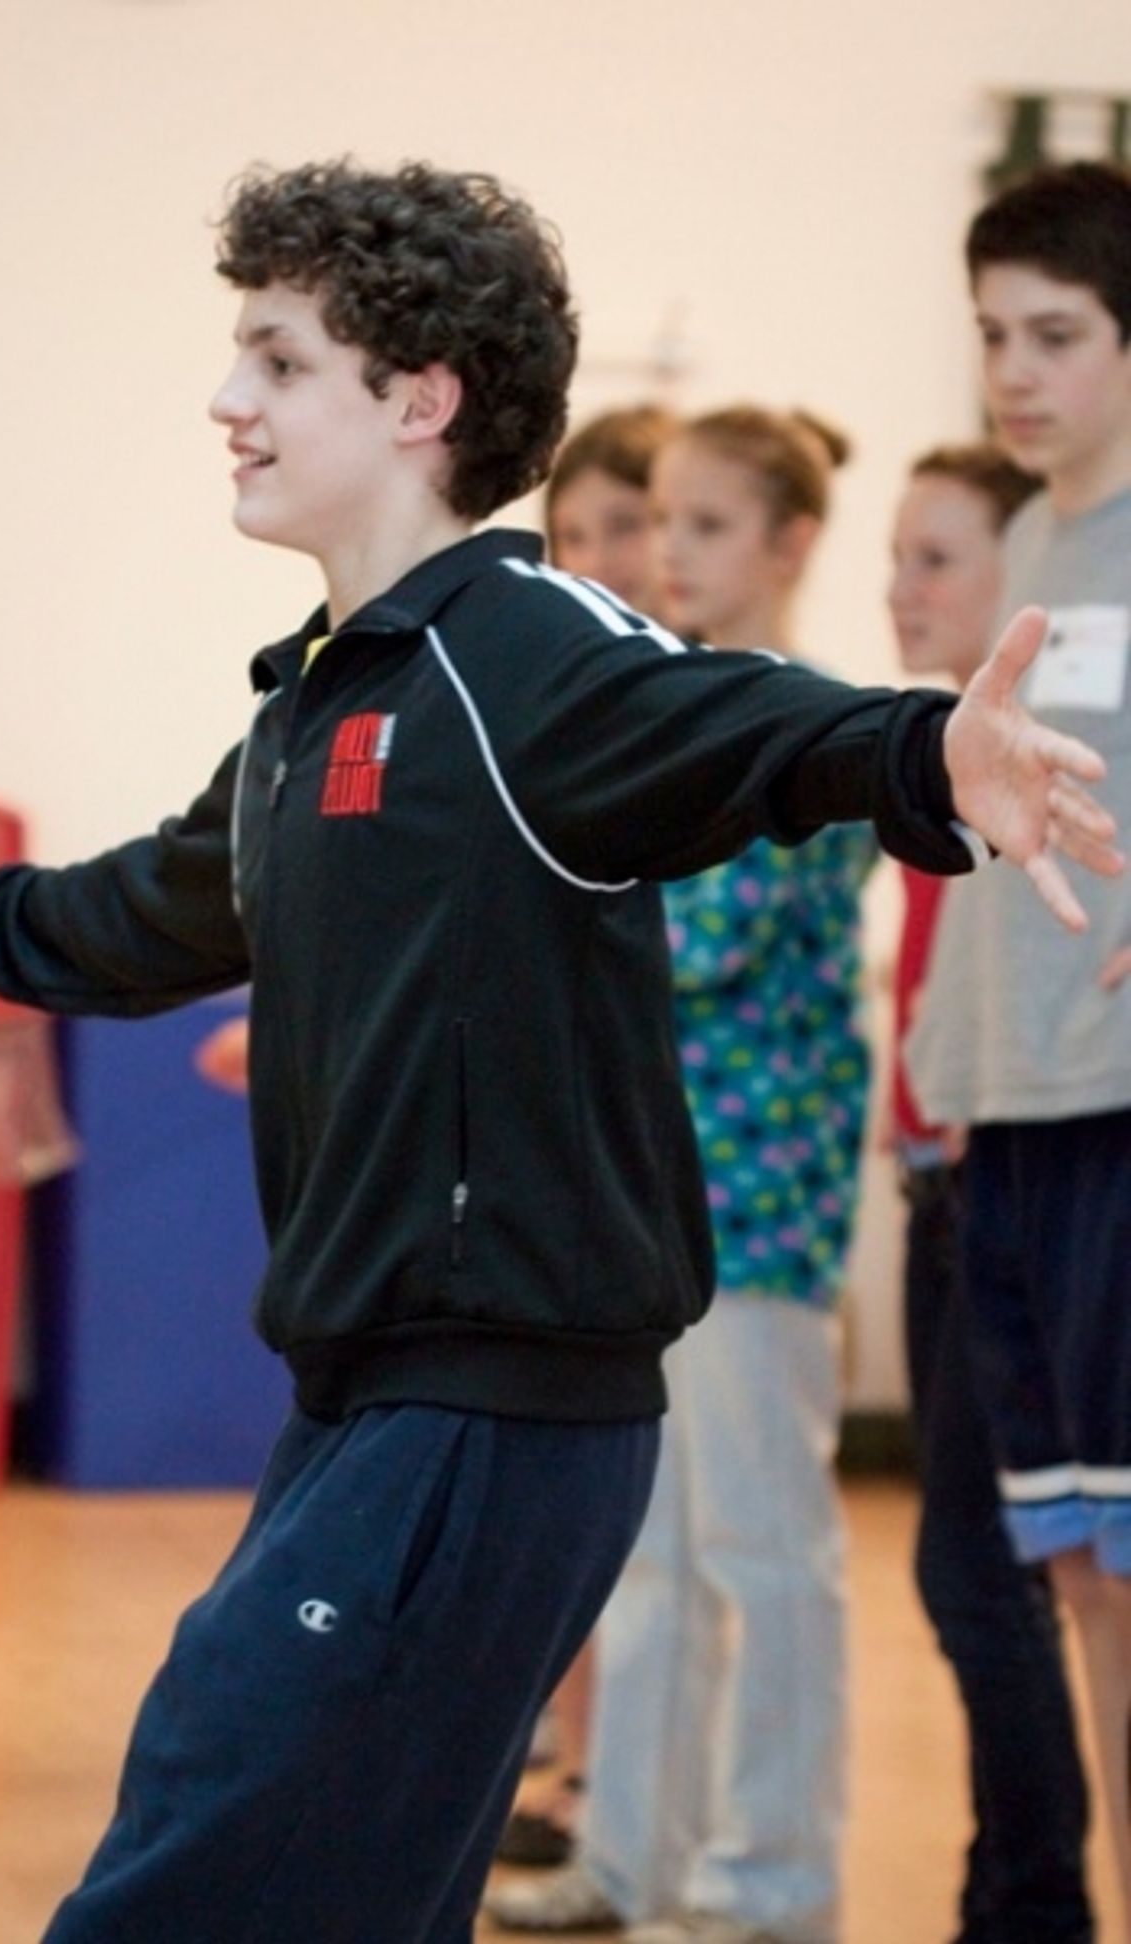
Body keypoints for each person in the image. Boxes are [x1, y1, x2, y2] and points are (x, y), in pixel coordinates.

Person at [0, 160, 1118, 1944]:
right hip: (372, 1393)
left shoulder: (527, 654)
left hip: (496, 1404)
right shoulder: (324, 697)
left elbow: (743, 725)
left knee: (197, 1841)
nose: (229, 402)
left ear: (419, 399)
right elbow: (170, 895)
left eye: (278, 361)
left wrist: (932, 756)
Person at [488, 405, 878, 1944]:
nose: (668, 553)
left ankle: (771, 1881)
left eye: (707, 525)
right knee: (641, 1552)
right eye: (664, 520)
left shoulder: (813, 723)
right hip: (645, 1195)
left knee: (764, 1556)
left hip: (762, 1209)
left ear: (788, 543)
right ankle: (633, 1858)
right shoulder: (677, 710)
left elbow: (687, 945)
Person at [906, 159, 1131, 1938]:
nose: (1013, 371)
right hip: (1006, 1116)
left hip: (1117, 1112)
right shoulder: (1036, 546)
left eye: (1054, 335)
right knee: (1074, 1572)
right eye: (993, 333)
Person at [890, 443, 1094, 1944]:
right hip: (946, 1182)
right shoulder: (926, 762)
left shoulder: (1056, 767)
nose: (909, 590)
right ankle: (1011, 1895)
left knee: (999, 1572)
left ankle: (1027, 1904)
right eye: (899, 557)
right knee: (987, 1571)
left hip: (1011, 1177)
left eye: (940, 559)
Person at [495, 400, 679, 1874]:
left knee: (706, 1562)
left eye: (640, 524)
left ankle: (669, 1831)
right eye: (583, 532)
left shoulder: (690, 718)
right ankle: (585, 1779)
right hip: (593, 1196)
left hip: (709, 1209)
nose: (612, 556)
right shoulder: (547, 712)